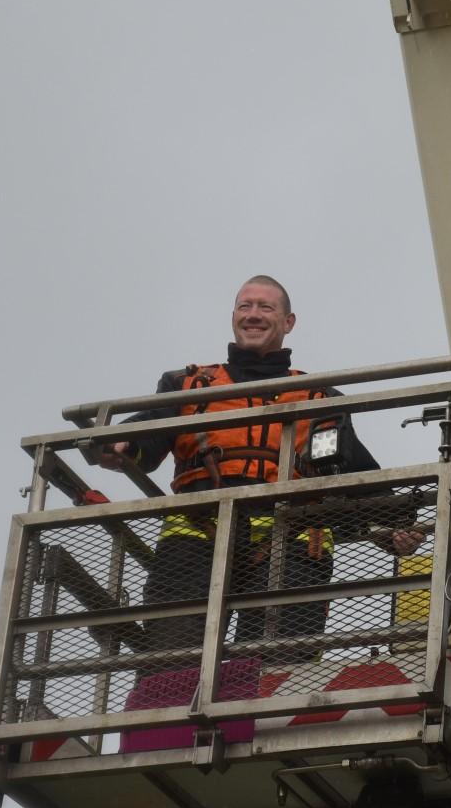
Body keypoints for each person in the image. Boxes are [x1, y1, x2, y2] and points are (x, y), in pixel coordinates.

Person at [98, 275, 417, 657]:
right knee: (171, 666)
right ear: (233, 316)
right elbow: (145, 437)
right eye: (245, 306)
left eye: (266, 307)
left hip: (294, 544)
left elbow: (357, 473)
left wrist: (394, 526)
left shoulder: (319, 397)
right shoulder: (187, 385)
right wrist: (121, 445)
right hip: (195, 539)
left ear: (288, 322)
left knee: (274, 671)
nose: (253, 315)